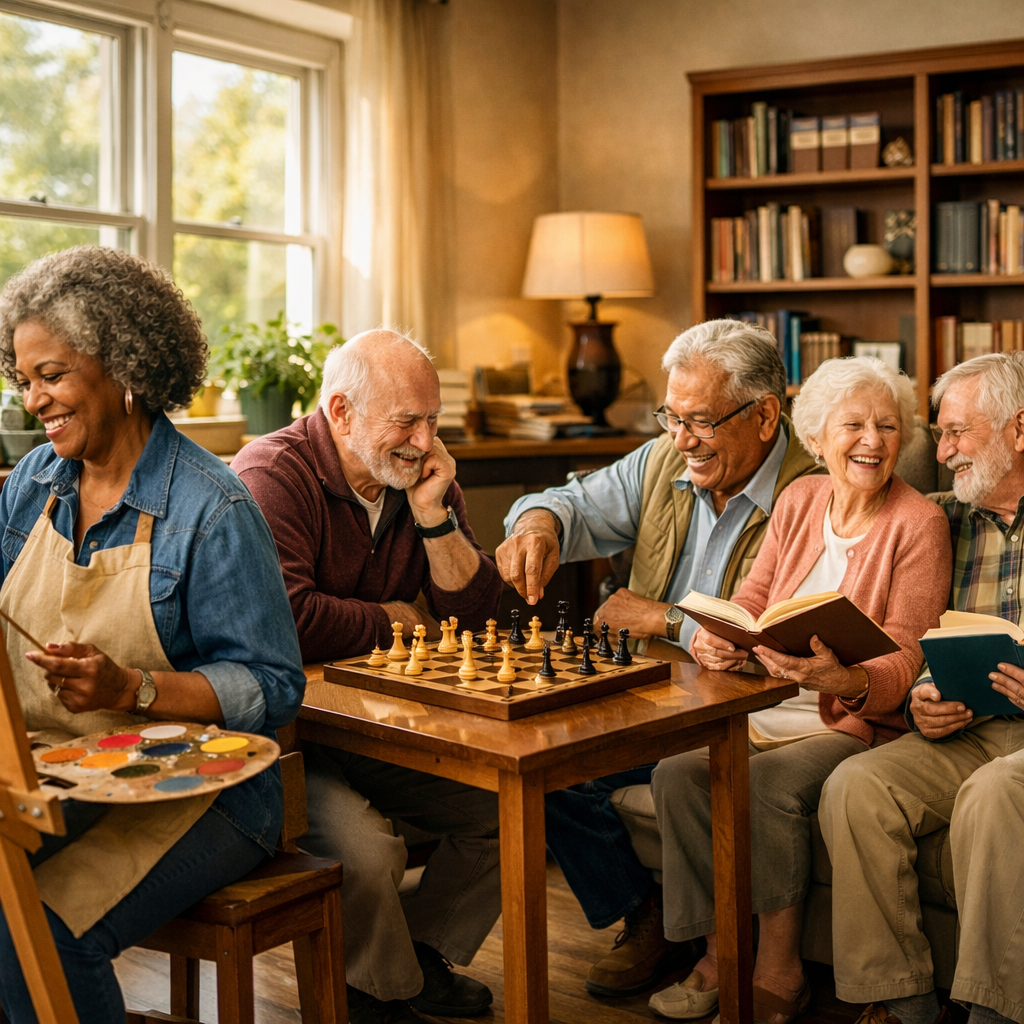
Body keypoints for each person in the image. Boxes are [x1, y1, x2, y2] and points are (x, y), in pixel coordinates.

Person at [0, 246, 305, 1024]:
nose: (35, 398)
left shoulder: (214, 507)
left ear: (123, 361)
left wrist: (129, 689)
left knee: (41, 924)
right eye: (24, 378)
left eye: (54, 374)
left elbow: (272, 686)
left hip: (202, 790)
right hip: (61, 775)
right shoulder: (31, 486)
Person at [495, 319, 820, 996]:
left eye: (698, 420)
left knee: (564, 769)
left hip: (741, 711)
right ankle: (646, 915)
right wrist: (537, 524)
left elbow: (758, 635)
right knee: (531, 756)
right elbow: (568, 502)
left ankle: (676, 933)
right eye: (670, 416)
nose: (681, 438)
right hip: (650, 692)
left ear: (764, 416)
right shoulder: (662, 460)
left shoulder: (811, 491)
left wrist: (657, 615)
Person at [646, 356, 951, 1023]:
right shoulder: (800, 499)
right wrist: (721, 635)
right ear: (816, 436)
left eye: (887, 426)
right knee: (675, 774)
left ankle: (780, 970)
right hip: (761, 703)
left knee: (769, 787)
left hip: (850, 724)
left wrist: (843, 680)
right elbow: (755, 598)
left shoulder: (918, 523)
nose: (872, 440)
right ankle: (718, 950)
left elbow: (906, 657)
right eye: (854, 425)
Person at [233, 329, 503, 1024]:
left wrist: (434, 519)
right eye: (405, 421)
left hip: (381, 730)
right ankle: (374, 995)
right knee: (367, 852)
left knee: (509, 811)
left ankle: (413, 956)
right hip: (288, 741)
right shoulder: (272, 473)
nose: (423, 441)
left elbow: (473, 615)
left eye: (432, 419)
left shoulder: (422, 475)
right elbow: (286, 620)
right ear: (341, 411)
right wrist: (401, 620)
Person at [819, 353, 1024, 1024]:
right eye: (939, 434)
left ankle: (993, 1013)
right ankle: (901, 1001)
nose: (942, 451)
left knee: (994, 795)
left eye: (958, 432)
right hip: (971, 728)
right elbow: (914, 642)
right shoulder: (939, 521)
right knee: (855, 786)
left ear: (1018, 431)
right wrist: (922, 697)